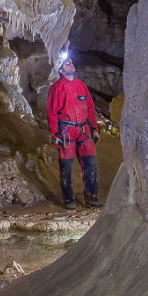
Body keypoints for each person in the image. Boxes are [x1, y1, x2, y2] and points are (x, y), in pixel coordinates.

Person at [46, 51, 100, 208]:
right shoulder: (57, 88)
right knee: (66, 167)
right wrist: (55, 133)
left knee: (91, 165)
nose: (70, 64)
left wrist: (94, 127)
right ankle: (69, 200)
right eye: (66, 64)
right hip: (66, 131)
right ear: (61, 71)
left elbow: (90, 107)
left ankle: (92, 198)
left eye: (71, 62)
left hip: (84, 131)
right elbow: (52, 112)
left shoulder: (81, 85)